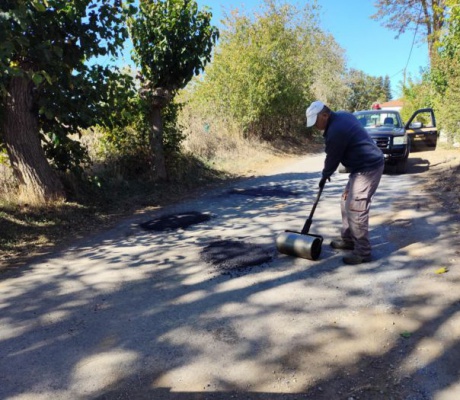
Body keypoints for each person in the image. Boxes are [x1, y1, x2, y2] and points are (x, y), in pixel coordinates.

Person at [306, 100, 384, 265]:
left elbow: (333, 157)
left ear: (325, 115)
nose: (315, 126)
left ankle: (363, 252)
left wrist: (325, 174)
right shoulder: (341, 115)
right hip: (359, 167)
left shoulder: (336, 130)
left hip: (368, 167)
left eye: (316, 122)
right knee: (345, 201)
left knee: (356, 207)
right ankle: (348, 239)